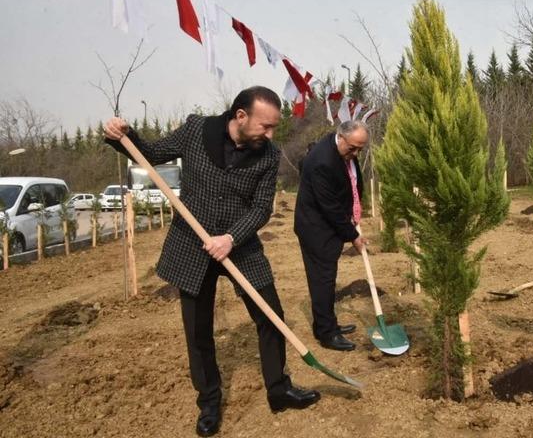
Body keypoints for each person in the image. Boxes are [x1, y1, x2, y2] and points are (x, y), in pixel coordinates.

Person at [103, 86, 320, 437]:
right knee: (198, 331)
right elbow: (150, 153)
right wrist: (123, 135)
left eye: (273, 128)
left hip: (240, 244)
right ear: (240, 116)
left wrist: (231, 238)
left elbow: (261, 208)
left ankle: (279, 389)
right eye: (265, 126)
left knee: (271, 316)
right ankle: (209, 402)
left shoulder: (268, 155)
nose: (270, 134)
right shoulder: (196, 130)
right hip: (192, 245)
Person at [294, 120, 369, 352]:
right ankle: (326, 333)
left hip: (329, 224)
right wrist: (353, 235)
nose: (355, 153)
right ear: (341, 137)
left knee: (327, 277)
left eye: (360, 149)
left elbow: (352, 183)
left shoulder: (341, 149)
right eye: (353, 148)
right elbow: (331, 208)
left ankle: (328, 323)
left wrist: (357, 208)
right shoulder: (321, 162)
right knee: (322, 279)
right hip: (316, 228)